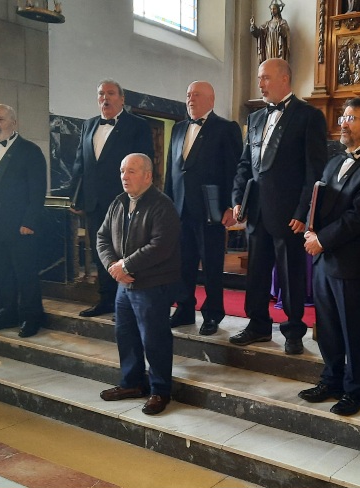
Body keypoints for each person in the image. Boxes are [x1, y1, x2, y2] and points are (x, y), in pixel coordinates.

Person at [298, 98, 360, 416]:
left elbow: (359, 218)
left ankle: (356, 391)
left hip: (351, 263)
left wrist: (321, 240)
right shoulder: (334, 162)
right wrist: (311, 231)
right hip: (325, 260)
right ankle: (332, 380)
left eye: (351, 118)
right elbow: (321, 201)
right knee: (327, 327)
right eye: (343, 116)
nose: (343, 122)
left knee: (353, 330)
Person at [230, 58, 327, 355]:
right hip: (257, 212)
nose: (260, 83)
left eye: (265, 78)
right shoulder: (256, 119)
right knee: (256, 273)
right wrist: (237, 199)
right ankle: (257, 325)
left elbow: (315, 171)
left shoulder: (309, 116)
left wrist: (304, 212)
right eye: (260, 78)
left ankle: (294, 330)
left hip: (289, 215)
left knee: (291, 275)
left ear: (285, 79)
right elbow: (245, 164)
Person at [96, 153, 180, 416]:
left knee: (154, 340)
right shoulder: (118, 202)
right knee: (126, 335)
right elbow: (102, 237)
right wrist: (113, 266)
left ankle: (160, 390)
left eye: (131, 171)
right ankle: (132, 384)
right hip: (125, 284)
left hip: (152, 284)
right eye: (122, 171)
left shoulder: (161, 204)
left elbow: (161, 246)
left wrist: (126, 266)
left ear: (147, 176)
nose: (124, 176)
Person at [69, 79, 154, 318]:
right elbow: (80, 163)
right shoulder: (89, 125)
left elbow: (146, 162)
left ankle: (126, 304)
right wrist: (76, 197)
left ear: (122, 98)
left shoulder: (137, 125)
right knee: (101, 252)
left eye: (110, 93)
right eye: (100, 94)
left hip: (124, 202)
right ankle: (106, 299)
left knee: (126, 252)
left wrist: (140, 198)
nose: (104, 98)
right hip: (94, 202)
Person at [164, 81, 242, 335]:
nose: (190, 99)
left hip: (211, 209)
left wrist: (231, 205)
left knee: (211, 264)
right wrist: (166, 205)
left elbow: (234, 169)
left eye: (196, 95)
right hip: (180, 208)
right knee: (183, 264)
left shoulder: (226, 128)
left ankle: (212, 314)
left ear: (211, 99)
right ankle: (184, 309)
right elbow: (170, 172)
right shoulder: (177, 129)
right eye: (188, 95)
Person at [0, 104, 47, 338]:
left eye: (1, 119)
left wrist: (30, 222)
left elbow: (37, 192)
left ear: (14, 123)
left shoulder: (30, 151)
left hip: (20, 228)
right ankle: (5, 314)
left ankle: (31, 318)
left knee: (25, 275)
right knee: (1, 274)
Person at [250, 0, 290, 65]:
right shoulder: (267, 24)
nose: (272, 10)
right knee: (268, 63)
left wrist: (280, 28)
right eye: (271, 9)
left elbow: (285, 34)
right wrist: (253, 26)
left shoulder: (282, 22)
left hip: (277, 46)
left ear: (278, 10)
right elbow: (258, 33)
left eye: (274, 8)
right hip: (269, 46)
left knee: (277, 65)